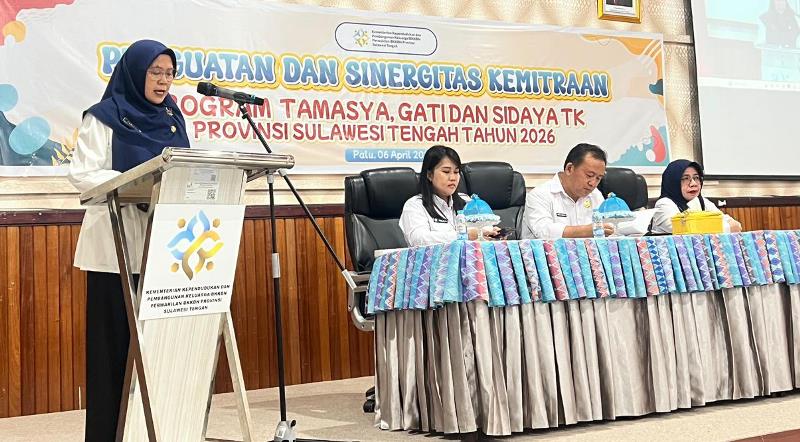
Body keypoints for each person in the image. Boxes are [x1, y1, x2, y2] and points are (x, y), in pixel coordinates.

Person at [68, 39, 190, 441]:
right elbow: (83, 174)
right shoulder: (104, 116)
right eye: (155, 72)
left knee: (160, 356)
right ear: (135, 72)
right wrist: (136, 182)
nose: (163, 81)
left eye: (169, 73)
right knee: (112, 355)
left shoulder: (173, 117)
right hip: (114, 248)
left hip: (165, 249)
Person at [400, 145, 490, 247]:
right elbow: (419, 240)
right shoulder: (415, 205)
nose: (453, 178)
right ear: (429, 175)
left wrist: (490, 233)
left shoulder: (466, 201)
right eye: (446, 172)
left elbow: (483, 229)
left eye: (456, 172)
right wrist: (463, 236)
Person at [521, 143, 614, 239]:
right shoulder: (540, 195)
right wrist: (588, 231)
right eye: (589, 175)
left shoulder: (595, 195)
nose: (593, 183)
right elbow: (544, 232)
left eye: (598, 178)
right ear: (569, 169)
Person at [651, 159, 741, 234]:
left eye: (696, 178)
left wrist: (729, 225)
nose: (693, 183)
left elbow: (732, 223)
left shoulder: (701, 201)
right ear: (673, 182)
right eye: (685, 178)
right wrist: (727, 228)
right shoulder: (663, 205)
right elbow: (688, 231)